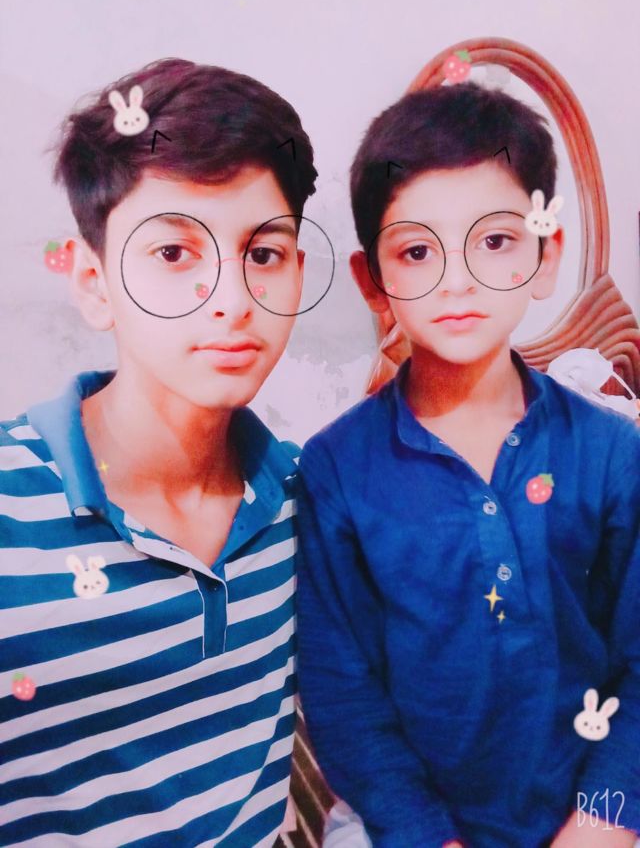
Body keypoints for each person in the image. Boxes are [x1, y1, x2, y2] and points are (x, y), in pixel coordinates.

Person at [295, 82, 640, 847]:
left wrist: (605, 819)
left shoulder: (612, 452)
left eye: (495, 241)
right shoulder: (334, 471)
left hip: (598, 820)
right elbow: (344, 694)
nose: (457, 279)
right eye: (418, 251)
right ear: (373, 281)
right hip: (407, 828)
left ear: (547, 255)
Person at [0, 56, 318, 846]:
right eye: (174, 253)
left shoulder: (303, 502)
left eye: (263, 254)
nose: (233, 301)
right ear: (93, 281)